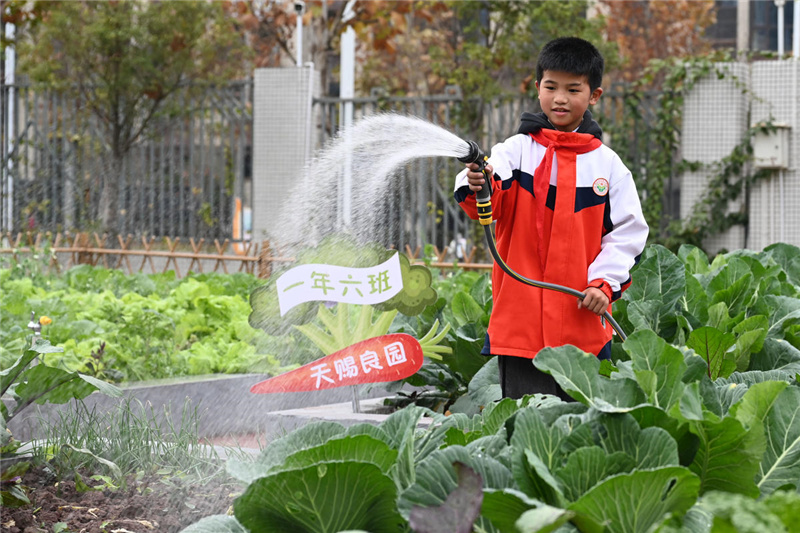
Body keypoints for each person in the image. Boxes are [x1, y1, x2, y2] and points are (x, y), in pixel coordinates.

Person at [453, 37, 649, 400]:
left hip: (582, 325)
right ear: (537, 89)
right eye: (551, 87)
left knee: (583, 435)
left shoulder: (608, 166)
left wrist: (603, 285)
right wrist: (479, 182)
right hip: (520, 328)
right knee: (523, 430)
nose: (560, 98)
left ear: (594, 95)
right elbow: (491, 192)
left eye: (573, 89)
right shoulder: (515, 151)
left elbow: (628, 235)